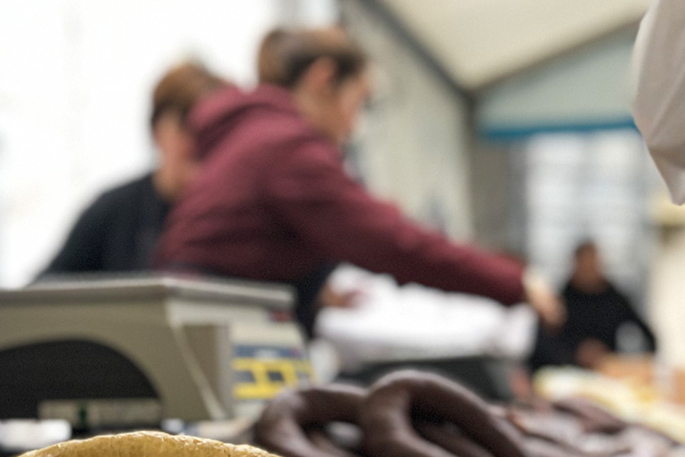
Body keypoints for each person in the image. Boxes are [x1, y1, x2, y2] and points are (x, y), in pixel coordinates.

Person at [154, 26, 563, 330]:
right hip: (216, 341)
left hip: (196, 328)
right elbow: (395, 244)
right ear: (323, 79)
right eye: (359, 102)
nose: (355, 125)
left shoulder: (250, 136)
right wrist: (516, 283)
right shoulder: (287, 148)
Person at [40, 61, 228, 276]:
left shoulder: (233, 217)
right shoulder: (113, 209)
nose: (200, 139)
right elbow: (46, 289)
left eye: (215, 128)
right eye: (188, 125)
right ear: (157, 131)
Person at [531, 241, 657, 370]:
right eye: (585, 263)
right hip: (568, 372)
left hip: (607, 373)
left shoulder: (614, 299)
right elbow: (543, 344)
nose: (589, 269)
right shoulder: (560, 300)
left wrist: (632, 363)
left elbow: (647, 335)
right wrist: (574, 355)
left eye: (593, 263)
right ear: (575, 264)